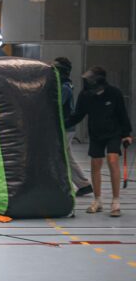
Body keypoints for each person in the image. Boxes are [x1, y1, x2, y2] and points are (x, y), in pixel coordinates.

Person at [66, 67, 132, 217]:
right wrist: (62, 124)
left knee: (112, 159)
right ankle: (97, 201)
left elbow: (122, 114)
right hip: (96, 133)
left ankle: (115, 201)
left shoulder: (114, 93)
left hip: (113, 132)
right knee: (95, 163)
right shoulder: (85, 95)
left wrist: (126, 134)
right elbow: (78, 115)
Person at [53, 57, 92, 197]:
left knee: (59, 157)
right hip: (63, 127)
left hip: (65, 127)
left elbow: (55, 104)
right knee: (67, 158)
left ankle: (64, 186)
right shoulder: (62, 84)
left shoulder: (65, 87)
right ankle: (84, 185)